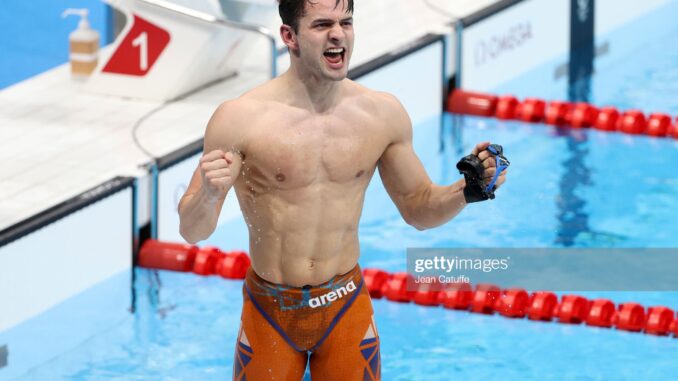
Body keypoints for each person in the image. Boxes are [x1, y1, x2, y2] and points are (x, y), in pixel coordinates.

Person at [178, 0, 507, 380]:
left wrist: (467, 190)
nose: (338, 34)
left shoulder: (380, 114)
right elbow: (192, 230)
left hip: (344, 303)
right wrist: (209, 194)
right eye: (321, 25)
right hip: (270, 308)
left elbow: (419, 210)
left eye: (345, 22)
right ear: (290, 36)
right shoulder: (241, 119)